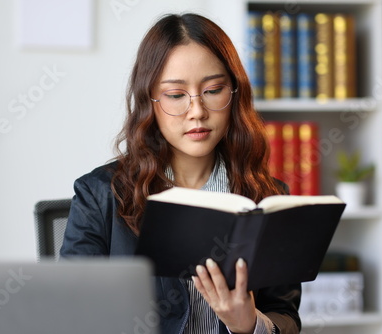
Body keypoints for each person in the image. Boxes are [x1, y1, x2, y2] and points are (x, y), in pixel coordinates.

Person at [61, 13, 301, 334]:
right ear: (150, 101)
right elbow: (71, 314)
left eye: (213, 90)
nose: (198, 111)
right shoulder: (100, 193)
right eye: (176, 95)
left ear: (234, 94)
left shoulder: (267, 197)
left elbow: (285, 315)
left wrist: (251, 324)